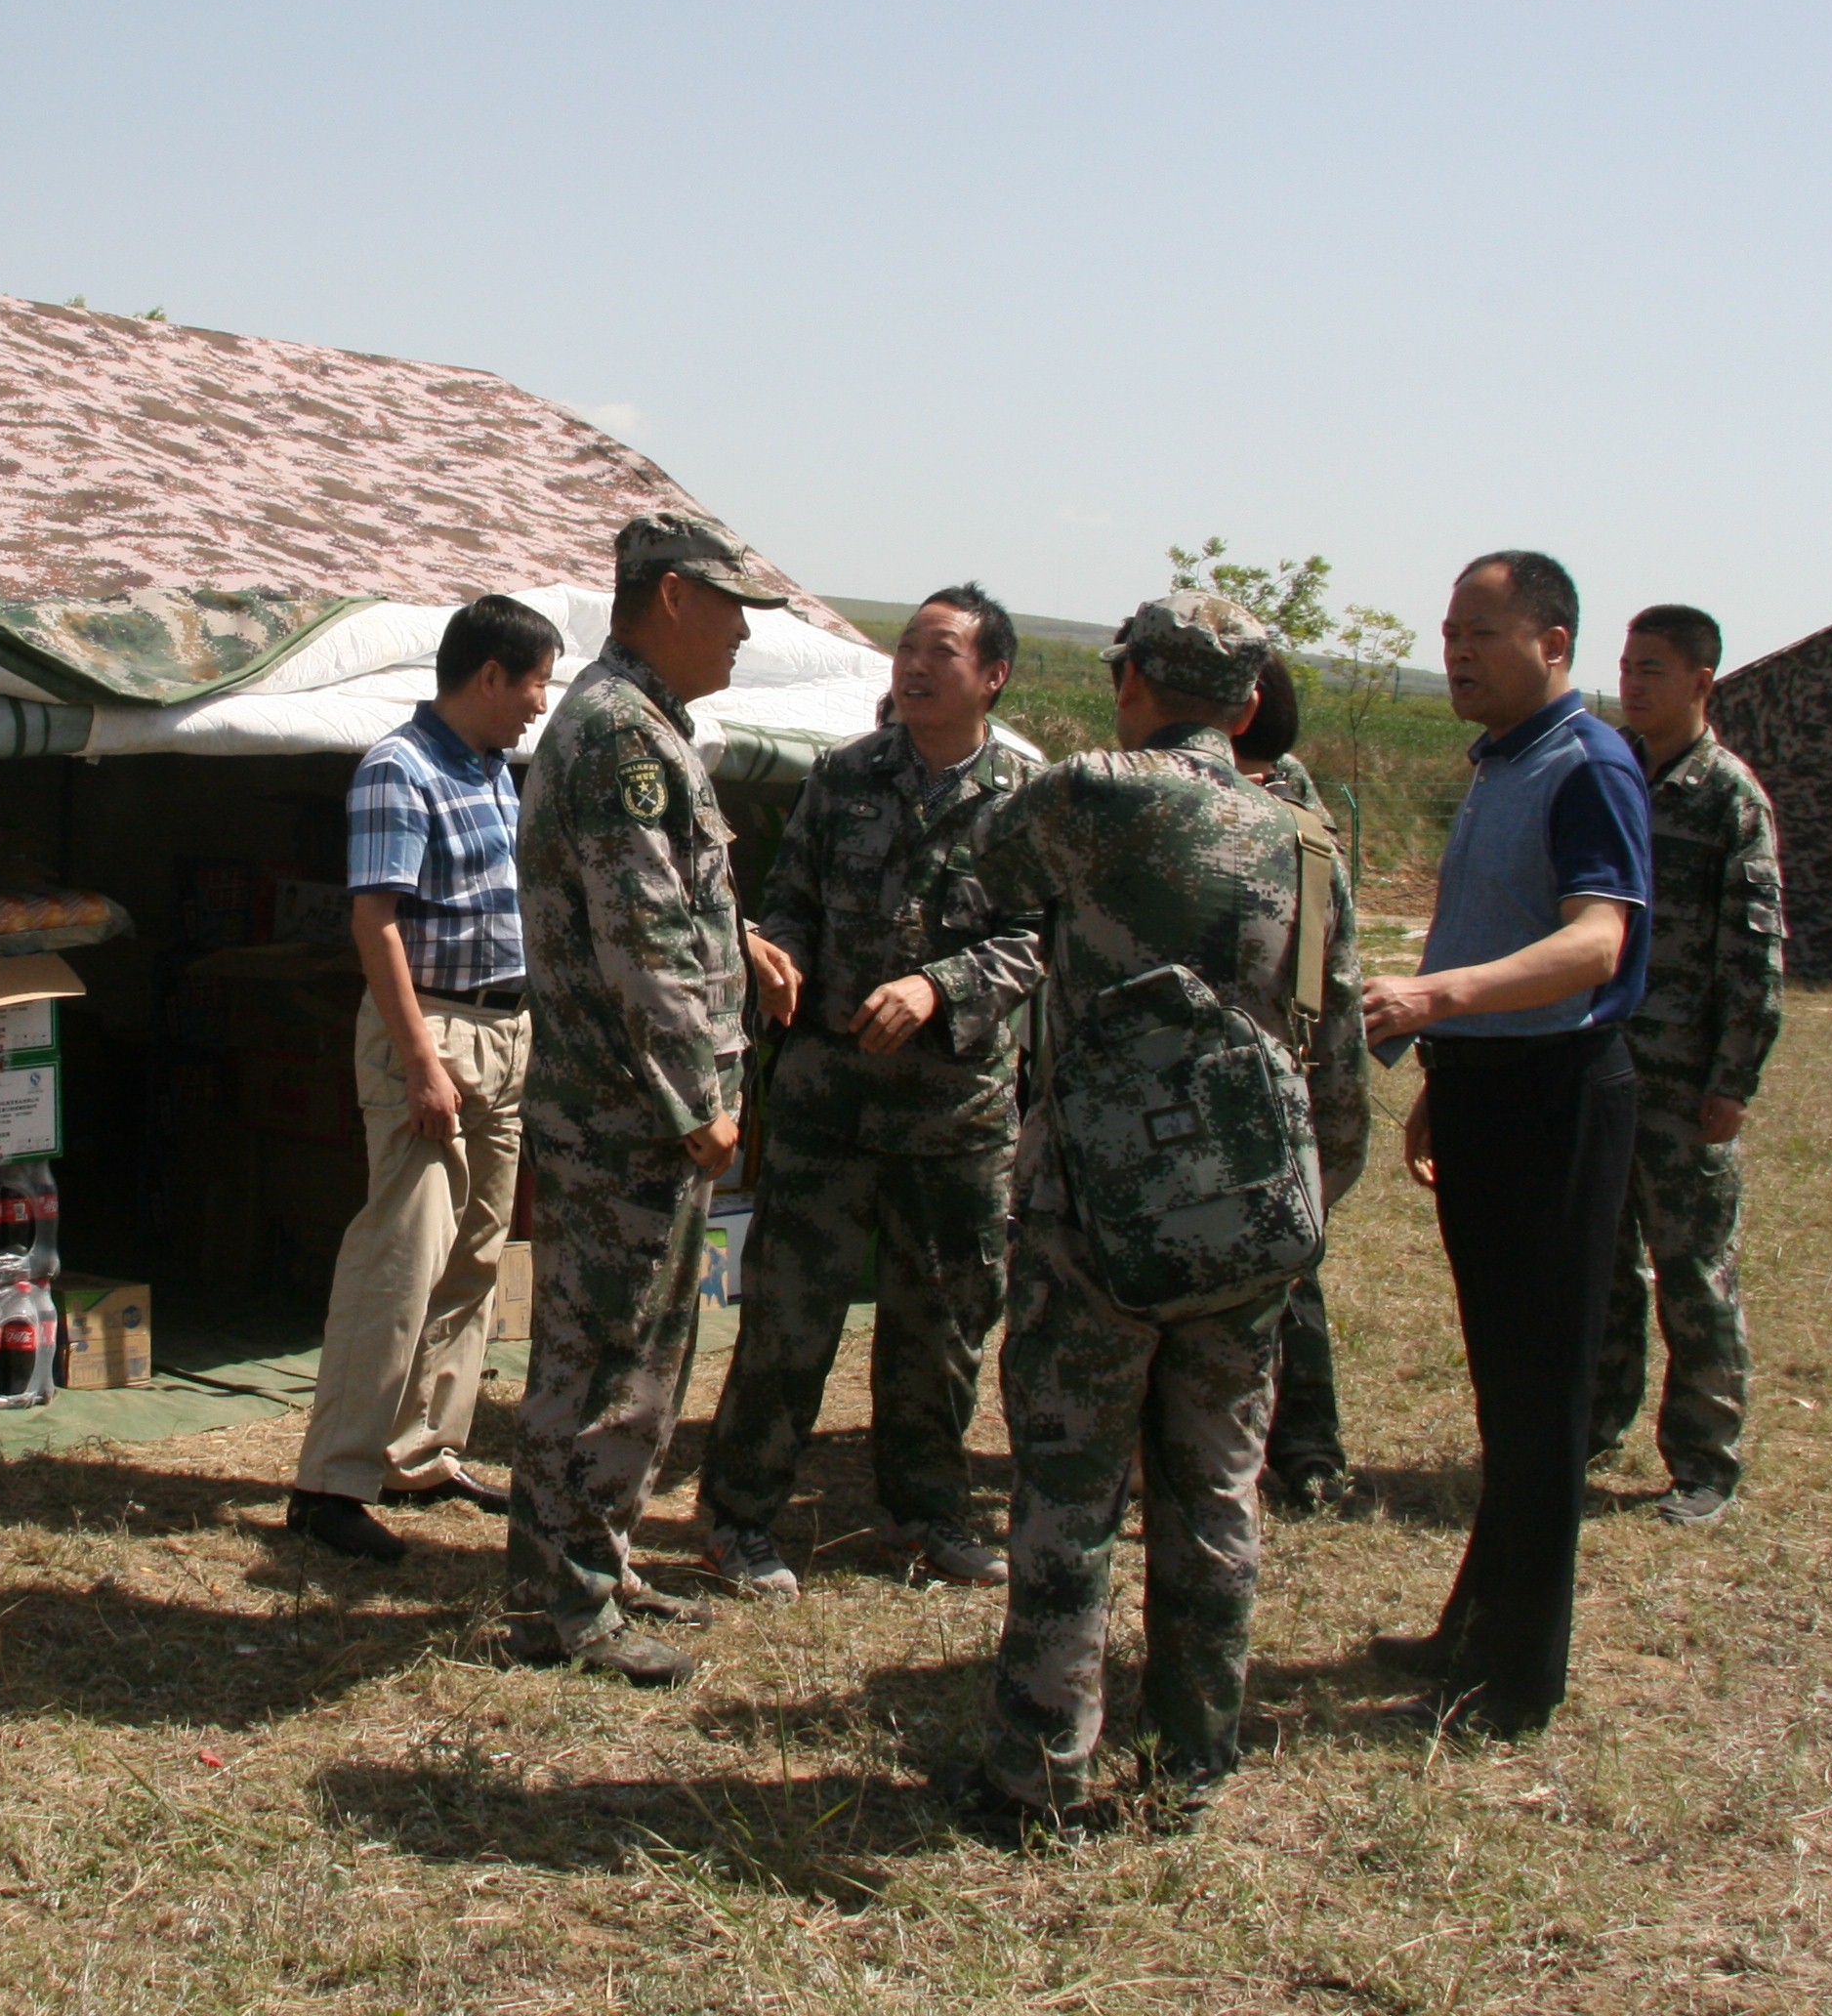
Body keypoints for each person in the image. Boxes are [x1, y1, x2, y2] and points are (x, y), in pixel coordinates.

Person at [955, 593, 1367, 1827]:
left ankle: (1041, 1772)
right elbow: (1332, 1052)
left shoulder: (1091, 794)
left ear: (1129, 680)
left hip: (1092, 1207)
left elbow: (989, 867)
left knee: (1071, 1497)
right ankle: (1195, 1756)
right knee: (1217, 1489)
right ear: (1248, 705)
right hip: (1246, 1216)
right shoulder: (1305, 842)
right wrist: (1303, 1204)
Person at [503, 511, 804, 1688]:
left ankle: (596, 1570)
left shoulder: (645, 727)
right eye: (732, 609)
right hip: (627, 1110)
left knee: (632, 1353)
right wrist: (699, 1099)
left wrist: (746, 936)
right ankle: (564, 1607)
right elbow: (641, 938)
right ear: (673, 597)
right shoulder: (622, 737)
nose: (742, 636)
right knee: (603, 1358)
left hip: (627, 1105)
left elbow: (674, 906)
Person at [697, 584, 1043, 1598]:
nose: (915, 666)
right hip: (829, 1107)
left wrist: (942, 986)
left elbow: (1042, 940)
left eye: (942, 651)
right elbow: (790, 897)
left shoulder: (1031, 796)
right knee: (786, 1323)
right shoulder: (842, 777)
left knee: (942, 1325)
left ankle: (927, 1517)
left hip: (957, 1114)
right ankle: (739, 1521)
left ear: (993, 675)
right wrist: (778, 954)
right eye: (906, 647)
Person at [1361, 550, 1653, 1738]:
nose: (1458, 651)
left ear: (1554, 643)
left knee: (1540, 1397)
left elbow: (1596, 944)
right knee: (1504, 1387)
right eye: (1448, 631)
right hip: (1488, 1086)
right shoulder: (1502, 764)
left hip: (1559, 1099)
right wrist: (1444, 1071)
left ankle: (1519, 1676)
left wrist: (1438, 1002)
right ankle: (1472, 1626)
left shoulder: (1590, 765)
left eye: (1482, 631)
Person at [288, 594, 564, 1564]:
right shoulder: (398, 770)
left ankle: (423, 1450)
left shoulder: (493, 771)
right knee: (401, 1259)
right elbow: (378, 923)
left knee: (475, 1256)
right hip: (435, 1032)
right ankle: (331, 1482)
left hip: (503, 1026)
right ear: (489, 675)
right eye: (533, 681)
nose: (540, 701)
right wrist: (419, 1062)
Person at [1588, 604, 1784, 1528]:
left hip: (1681, 1081)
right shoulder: (1610, 770)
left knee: (1694, 1274)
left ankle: (1705, 1461)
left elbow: (1755, 954)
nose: (1633, 680)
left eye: (1654, 668)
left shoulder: (1728, 796)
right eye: (1627, 663)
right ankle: (1591, 1424)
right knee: (1602, 1266)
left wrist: (1730, 1083)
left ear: (1702, 681)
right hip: (1602, 1065)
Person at [1230, 657, 1359, 1512]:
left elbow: (1325, 996)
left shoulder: (1298, 828)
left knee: (1286, 1273)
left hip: (1269, 1086)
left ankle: (1305, 1447)